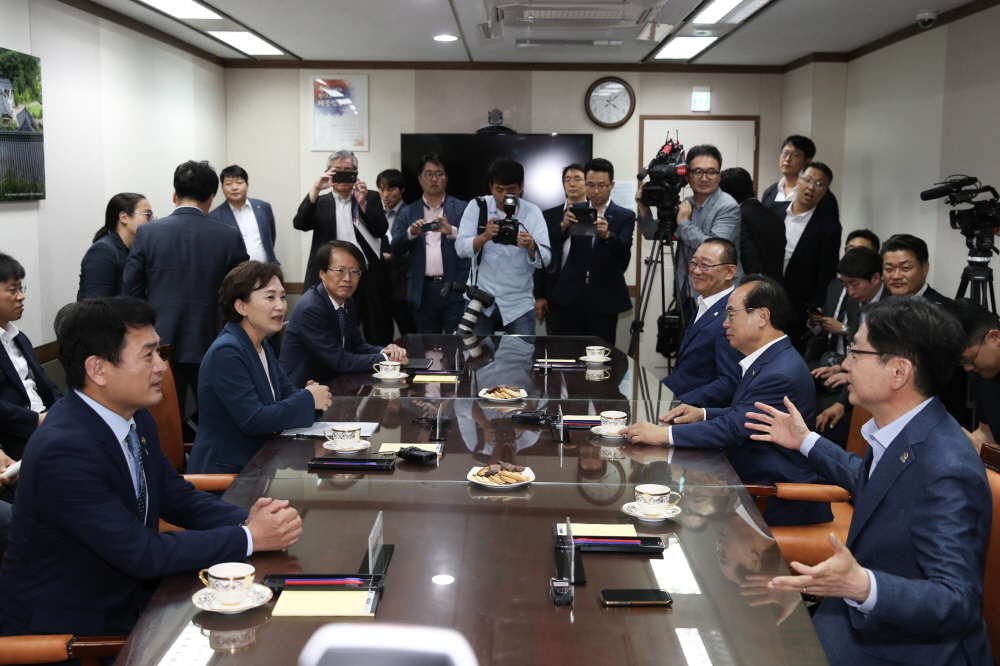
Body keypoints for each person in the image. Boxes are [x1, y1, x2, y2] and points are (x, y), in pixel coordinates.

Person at [0, 297, 304, 637]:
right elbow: (142, 552)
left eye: (160, 352)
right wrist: (248, 537)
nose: (161, 366)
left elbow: (177, 497)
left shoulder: (134, 419)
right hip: (73, 632)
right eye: (148, 355)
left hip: (135, 600)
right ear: (97, 369)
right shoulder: (63, 449)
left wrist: (250, 520)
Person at [745, 298, 991, 666]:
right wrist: (805, 441)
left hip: (907, 648)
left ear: (898, 372)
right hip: (856, 621)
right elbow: (872, 481)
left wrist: (862, 586)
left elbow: (958, 601)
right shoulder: (903, 430)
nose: (844, 364)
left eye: (856, 353)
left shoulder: (948, 468)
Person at [623, 276, 831, 527]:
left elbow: (734, 429)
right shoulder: (772, 358)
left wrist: (662, 435)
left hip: (769, 491)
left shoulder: (779, 371)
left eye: (731, 315)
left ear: (762, 317)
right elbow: (746, 416)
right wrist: (703, 414)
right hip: (747, 472)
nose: (724, 324)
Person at [122, 160, 249, 419]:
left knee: (166, 421)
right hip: (216, 338)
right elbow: (244, 291)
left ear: (174, 194)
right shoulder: (229, 235)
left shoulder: (147, 233)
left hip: (160, 342)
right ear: (211, 198)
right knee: (217, 419)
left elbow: (130, 292)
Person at [187, 262, 332, 474]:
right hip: (226, 475)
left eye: (282, 297)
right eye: (270, 297)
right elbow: (254, 420)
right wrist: (308, 399)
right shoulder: (227, 351)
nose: (281, 306)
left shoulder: (261, 344)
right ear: (241, 306)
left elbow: (286, 394)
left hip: (258, 464)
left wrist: (310, 398)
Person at [293, 150, 393, 346]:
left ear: (356, 173)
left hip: (367, 275)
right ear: (328, 173)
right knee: (332, 329)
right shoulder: (321, 202)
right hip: (332, 277)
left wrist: (362, 203)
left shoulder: (370, 197)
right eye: (337, 171)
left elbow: (381, 229)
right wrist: (316, 188)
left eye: (349, 171)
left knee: (376, 328)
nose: (343, 176)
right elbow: (300, 223)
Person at [280, 241, 407, 388]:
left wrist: (386, 351)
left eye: (354, 272)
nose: (347, 278)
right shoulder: (312, 308)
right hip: (302, 390)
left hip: (333, 383)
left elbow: (356, 346)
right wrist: (386, 359)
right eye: (340, 270)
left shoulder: (348, 303)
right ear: (322, 273)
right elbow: (340, 361)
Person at [637, 144, 741, 322]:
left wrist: (683, 223)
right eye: (697, 172)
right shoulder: (687, 203)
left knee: (712, 347)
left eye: (711, 172)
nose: (704, 178)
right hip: (687, 291)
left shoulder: (727, 206)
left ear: (719, 176)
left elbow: (714, 249)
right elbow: (653, 233)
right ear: (687, 176)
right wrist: (644, 209)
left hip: (717, 294)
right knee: (686, 346)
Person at [540, 158, 635, 345]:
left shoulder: (625, 215)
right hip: (570, 294)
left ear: (611, 185)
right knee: (564, 352)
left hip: (604, 296)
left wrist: (607, 235)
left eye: (602, 185)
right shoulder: (575, 210)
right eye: (591, 185)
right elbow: (551, 242)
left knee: (600, 354)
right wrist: (563, 225)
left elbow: (624, 248)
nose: (596, 191)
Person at [455, 157, 552, 336]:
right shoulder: (477, 207)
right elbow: (460, 249)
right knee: (475, 358)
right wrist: (484, 237)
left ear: (521, 187)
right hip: (479, 300)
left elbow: (545, 260)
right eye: (499, 190)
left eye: (511, 191)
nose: (504, 196)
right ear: (490, 187)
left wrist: (531, 246)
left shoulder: (533, 212)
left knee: (521, 358)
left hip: (518, 303)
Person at [390, 155, 469, 334]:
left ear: (446, 178)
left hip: (455, 288)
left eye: (439, 173)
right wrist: (411, 233)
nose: (434, 178)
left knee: (457, 345)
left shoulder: (463, 208)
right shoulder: (408, 212)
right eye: (428, 174)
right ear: (419, 179)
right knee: (427, 346)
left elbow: (474, 244)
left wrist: (451, 232)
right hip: (423, 290)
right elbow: (395, 249)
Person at [662, 238, 743, 407]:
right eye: (693, 263)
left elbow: (729, 382)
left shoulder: (731, 314)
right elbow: (688, 371)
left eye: (705, 265)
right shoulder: (705, 303)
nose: (696, 271)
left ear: (730, 272)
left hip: (697, 413)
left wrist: (677, 404)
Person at [0, 253, 62, 464]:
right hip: (17, 439)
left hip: (46, 424)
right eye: (12, 290)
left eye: (20, 288)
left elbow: (45, 383)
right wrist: (36, 420)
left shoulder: (17, 337)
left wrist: (64, 409)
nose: (21, 296)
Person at [778, 162, 842, 350]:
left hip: (798, 306)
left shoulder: (829, 227)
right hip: (766, 296)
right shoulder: (774, 212)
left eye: (819, 184)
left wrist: (816, 307)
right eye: (808, 180)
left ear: (825, 190)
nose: (812, 187)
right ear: (798, 181)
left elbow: (827, 271)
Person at [943, 298, 1000, 452]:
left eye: (970, 359)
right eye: (962, 363)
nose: (968, 368)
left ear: (994, 337)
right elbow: (987, 433)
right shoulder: (981, 374)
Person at [534, 164, 586, 332]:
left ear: (587, 183)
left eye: (577, 179)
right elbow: (541, 255)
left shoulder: (598, 214)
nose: (572, 184)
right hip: (556, 292)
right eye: (567, 180)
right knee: (558, 350)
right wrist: (539, 295)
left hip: (588, 293)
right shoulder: (548, 215)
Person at [77, 193, 154, 300]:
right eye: (147, 214)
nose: (152, 221)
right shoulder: (103, 251)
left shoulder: (134, 250)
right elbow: (97, 306)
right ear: (124, 217)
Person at [719, 167, 784, 282]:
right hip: (777, 285)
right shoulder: (775, 216)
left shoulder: (738, 217)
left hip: (756, 287)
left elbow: (747, 255)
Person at [208, 165, 279, 265]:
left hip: (267, 270)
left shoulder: (264, 207)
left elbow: (271, 237)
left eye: (239, 183)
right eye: (229, 184)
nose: (234, 187)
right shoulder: (214, 217)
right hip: (237, 275)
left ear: (247, 185)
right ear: (222, 188)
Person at [377, 168, 418, 337]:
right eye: (381, 189)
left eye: (391, 189)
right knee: (383, 334)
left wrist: (391, 257)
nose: (385, 194)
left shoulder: (411, 214)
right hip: (382, 283)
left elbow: (416, 250)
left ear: (401, 190)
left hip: (404, 285)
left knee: (410, 333)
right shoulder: (376, 214)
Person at [760, 135, 840, 220]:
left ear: (807, 161)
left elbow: (830, 229)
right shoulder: (770, 191)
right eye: (785, 153)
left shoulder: (822, 196)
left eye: (795, 155)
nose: (787, 159)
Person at [880, 233, 949, 302]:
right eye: (889, 269)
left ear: (925, 268)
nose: (896, 276)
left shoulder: (943, 310)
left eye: (905, 268)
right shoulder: (877, 306)